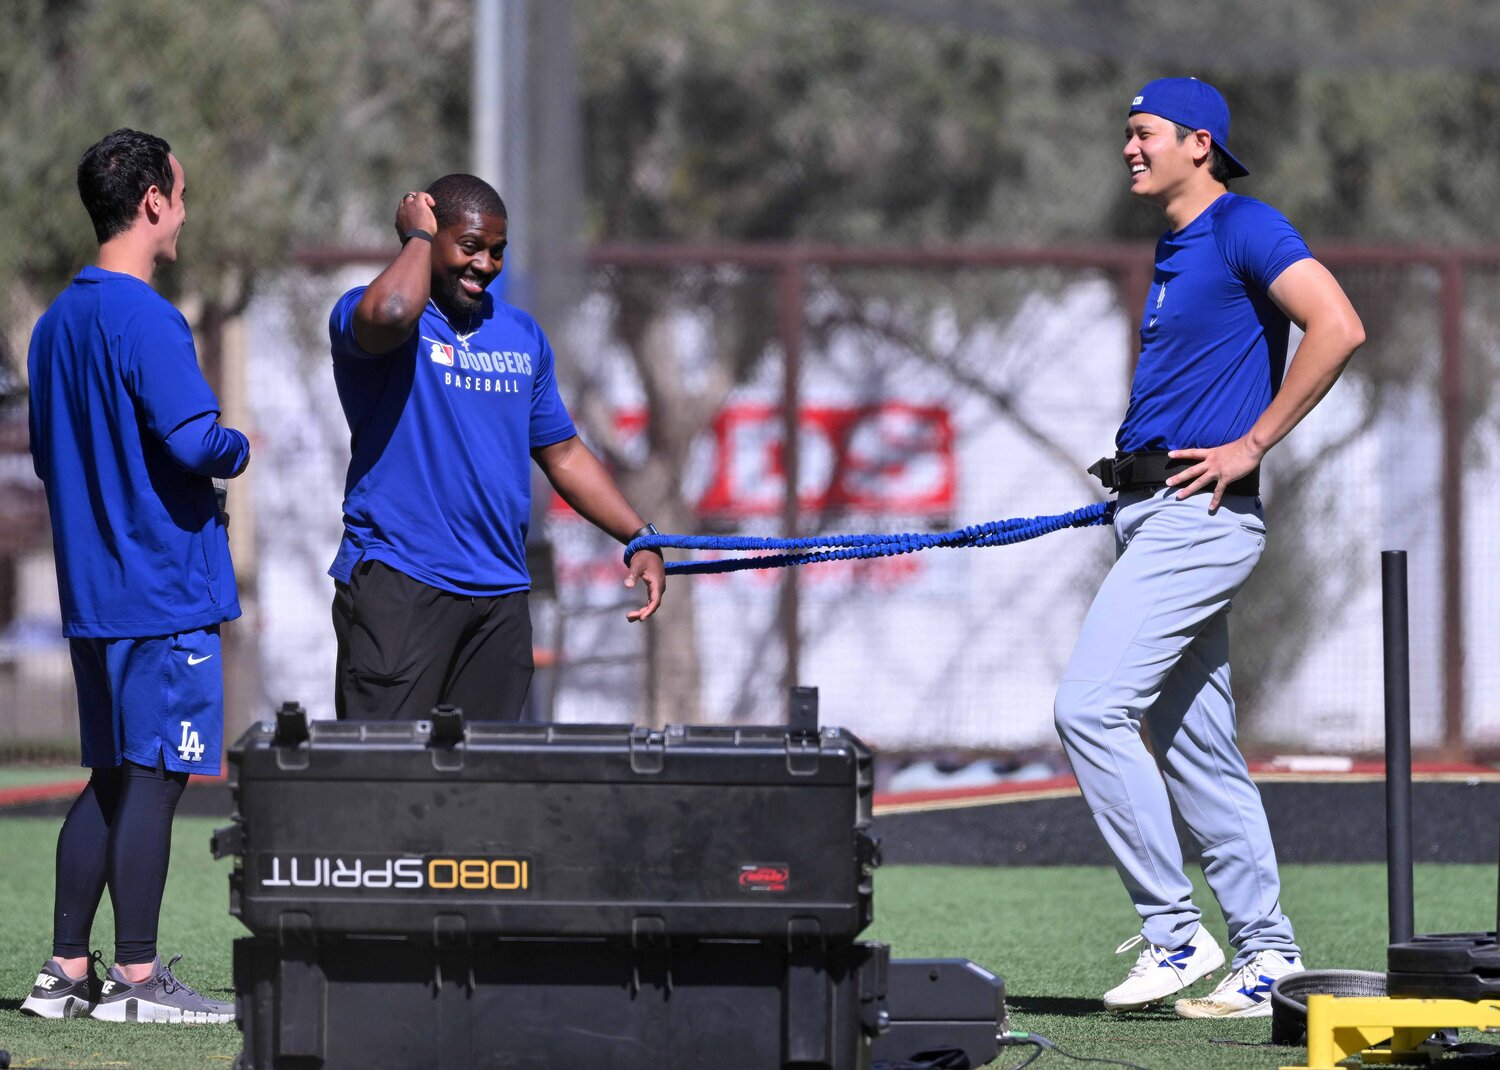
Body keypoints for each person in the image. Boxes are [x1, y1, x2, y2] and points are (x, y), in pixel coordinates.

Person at [1053, 78, 1365, 1018]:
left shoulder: (1244, 226)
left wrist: (1253, 442)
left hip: (1200, 521)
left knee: (1091, 711)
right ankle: (1268, 958)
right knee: (1196, 750)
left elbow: (1338, 324)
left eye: (1143, 133)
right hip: (1155, 515)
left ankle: (1172, 934)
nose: (1129, 148)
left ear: (1199, 142)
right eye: (1126, 133)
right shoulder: (1177, 245)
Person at [21, 129, 247, 1023]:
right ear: (153, 199)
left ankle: (67, 973)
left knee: (113, 774)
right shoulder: (147, 315)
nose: (185, 212)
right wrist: (236, 447)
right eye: (182, 195)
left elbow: (48, 459)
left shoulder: (53, 325)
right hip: (163, 590)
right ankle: (141, 980)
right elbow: (197, 441)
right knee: (155, 776)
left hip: (95, 594)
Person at [329, 174, 665, 722]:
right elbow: (392, 311)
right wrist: (415, 237)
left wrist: (639, 536)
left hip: (500, 596)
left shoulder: (521, 334)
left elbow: (564, 454)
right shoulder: (370, 313)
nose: (485, 264)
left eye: (497, 252)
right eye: (469, 247)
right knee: (383, 781)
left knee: (482, 790)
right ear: (431, 236)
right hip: (401, 582)